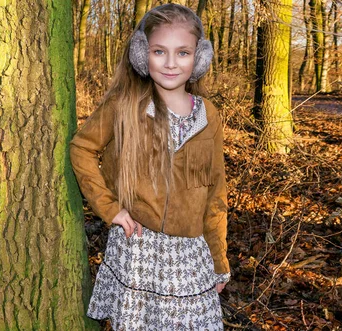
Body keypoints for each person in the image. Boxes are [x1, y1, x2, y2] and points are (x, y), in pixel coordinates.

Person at [70, 4, 229, 330]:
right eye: (160, 51)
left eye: (183, 52)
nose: (171, 63)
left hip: (189, 255)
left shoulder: (209, 115)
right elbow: (82, 149)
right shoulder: (124, 104)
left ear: (199, 58)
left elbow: (216, 192)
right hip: (138, 249)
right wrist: (110, 208)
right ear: (143, 54)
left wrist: (218, 259)